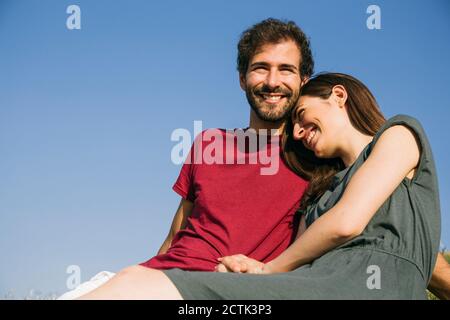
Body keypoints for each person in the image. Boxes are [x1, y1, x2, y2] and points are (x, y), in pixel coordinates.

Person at [62, 19, 450, 299]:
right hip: (158, 278)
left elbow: (385, 231)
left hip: (239, 290)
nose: (271, 80)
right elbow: (175, 236)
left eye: (286, 69)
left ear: (303, 82)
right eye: (260, 67)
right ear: (242, 78)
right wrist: (149, 271)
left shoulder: (320, 164)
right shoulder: (209, 144)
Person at [151, 73, 444, 299]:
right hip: (310, 284)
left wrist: (267, 270)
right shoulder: (322, 195)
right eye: (295, 128)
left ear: (338, 96)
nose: (300, 133)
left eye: (301, 115)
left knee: (163, 288)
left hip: (363, 289)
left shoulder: (398, 134)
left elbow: (347, 223)